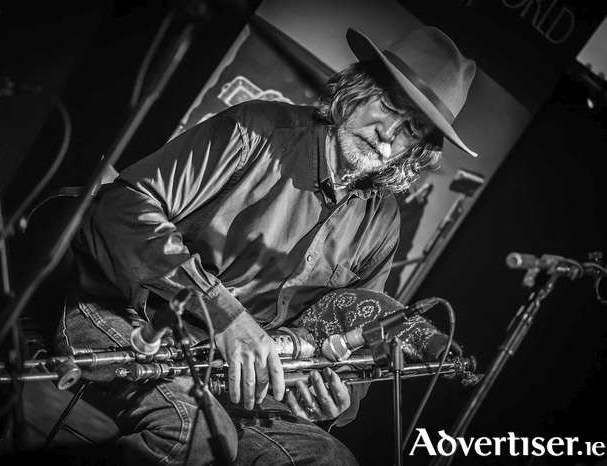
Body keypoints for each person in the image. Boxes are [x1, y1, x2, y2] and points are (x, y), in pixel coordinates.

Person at [55, 25, 477, 465]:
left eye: (411, 128)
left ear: (417, 148)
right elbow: (123, 209)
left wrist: (336, 399)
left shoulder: (382, 220)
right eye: (389, 105)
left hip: (240, 381)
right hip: (129, 317)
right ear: (359, 88)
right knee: (198, 435)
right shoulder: (255, 129)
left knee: (332, 461)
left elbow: (358, 348)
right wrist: (225, 316)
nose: (388, 134)